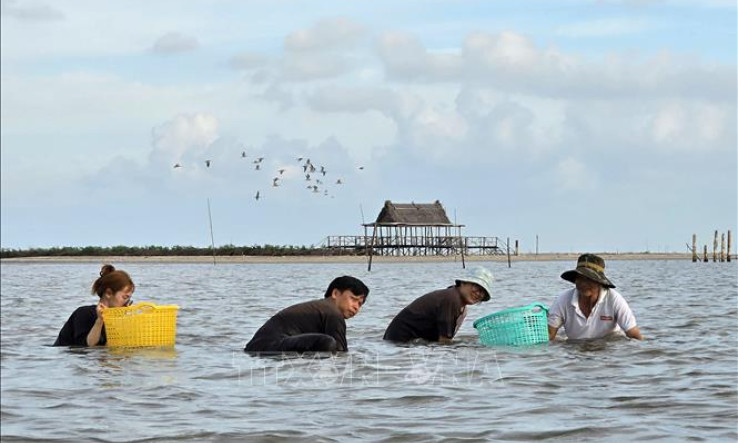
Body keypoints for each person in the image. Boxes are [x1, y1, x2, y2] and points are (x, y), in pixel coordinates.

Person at [244, 276, 369, 354]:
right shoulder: (332, 312)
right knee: (328, 342)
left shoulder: (323, 308)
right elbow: (341, 353)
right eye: (353, 299)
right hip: (270, 346)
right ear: (335, 293)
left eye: (360, 304)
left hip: (260, 347)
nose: (356, 307)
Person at [383, 267, 494, 343]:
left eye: (483, 292)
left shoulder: (458, 303)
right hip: (399, 343)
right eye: (476, 287)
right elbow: (444, 343)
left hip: (399, 342)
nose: (478, 294)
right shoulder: (452, 299)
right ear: (463, 283)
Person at [548, 254, 643, 341]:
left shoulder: (614, 299)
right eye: (580, 278)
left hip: (608, 348)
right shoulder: (563, 299)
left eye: (589, 279)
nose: (583, 284)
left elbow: (634, 334)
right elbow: (549, 334)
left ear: (599, 282)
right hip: (576, 350)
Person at [53, 264, 135, 347]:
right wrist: (100, 320)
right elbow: (86, 346)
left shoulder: (114, 319)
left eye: (129, 299)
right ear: (109, 293)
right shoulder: (83, 313)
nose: (127, 303)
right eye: (124, 297)